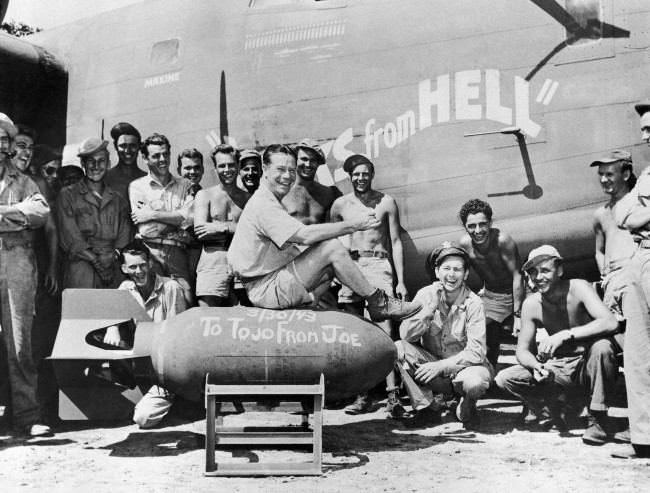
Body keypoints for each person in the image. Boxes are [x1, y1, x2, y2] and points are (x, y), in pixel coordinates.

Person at [227, 144, 421, 321]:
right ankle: (378, 303)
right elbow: (305, 235)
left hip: (271, 282)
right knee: (331, 248)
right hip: (267, 289)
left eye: (291, 170)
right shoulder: (263, 203)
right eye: (280, 169)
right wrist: (354, 225)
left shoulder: (269, 199)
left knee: (331, 267)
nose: (287, 176)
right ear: (265, 170)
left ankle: (308, 305)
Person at [495, 245, 620, 445]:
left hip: (588, 364)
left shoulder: (578, 287)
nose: (538, 277)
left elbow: (610, 322)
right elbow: (522, 350)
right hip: (559, 368)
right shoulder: (532, 304)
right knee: (505, 378)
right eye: (533, 272)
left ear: (559, 270)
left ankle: (598, 417)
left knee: (603, 347)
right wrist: (535, 366)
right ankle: (553, 409)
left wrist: (566, 335)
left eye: (545, 270)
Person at [330, 154, 407, 417]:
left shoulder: (386, 203)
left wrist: (401, 281)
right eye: (356, 174)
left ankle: (393, 396)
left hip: (378, 266)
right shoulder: (340, 205)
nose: (361, 178)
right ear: (349, 176)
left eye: (365, 173)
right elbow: (335, 240)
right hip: (351, 267)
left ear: (371, 175)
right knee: (355, 335)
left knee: (384, 331)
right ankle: (361, 395)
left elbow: (395, 242)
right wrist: (336, 271)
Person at [395, 242, 492, 427]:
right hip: (434, 369)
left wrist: (441, 366)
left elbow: (476, 352)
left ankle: (468, 404)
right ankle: (426, 408)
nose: (451, 274)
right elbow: (406, 335)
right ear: (437, 271)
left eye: (457, 269)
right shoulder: (425, 295)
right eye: (446, 268)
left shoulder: (474, 303)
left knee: (475, 383)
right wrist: (429, 310)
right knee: (399, 349)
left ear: (466, 274)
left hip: (464, 369)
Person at [0, 113, 52, 437]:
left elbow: (40, 212)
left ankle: (28, 416)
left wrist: (4, 214)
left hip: (17, 261)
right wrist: (17, 214)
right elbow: (26, 213)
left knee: (20, 342)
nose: (2, 144)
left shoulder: (22, 180)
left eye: (5, 139)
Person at [103, 241, 187, 428]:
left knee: (143, 418)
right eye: (132, 267)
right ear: (124, 268)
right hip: (139, 367)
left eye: (142, 265)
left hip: (166, 370)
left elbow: (179, 335)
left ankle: (176, 402)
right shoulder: (126, 288)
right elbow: (112, 317)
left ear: (150, 263)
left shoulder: (171, 287)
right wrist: (113, 328)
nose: (139, 271)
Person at [610, 101, 650, 458]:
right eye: (644, 131)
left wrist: (640, 214)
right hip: (641, 259)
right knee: (638, 353)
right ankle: (644, 439)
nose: (646, 137)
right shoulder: (649, 173)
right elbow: (623, 214)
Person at [56, 137, 131, 288]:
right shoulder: (68, 195)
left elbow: (124, 237)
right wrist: (97, 262)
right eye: (91, 161)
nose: (96, 166)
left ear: (108, 164)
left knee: (113, 309)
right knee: (82, 310)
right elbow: (70, 237)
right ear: (83, 164)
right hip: (81, 266)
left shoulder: (118, 199)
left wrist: (112, 257)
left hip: (112, 265)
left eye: (101, 161)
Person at [458, 199, 524, 367]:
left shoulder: (503, 240)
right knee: (485, 340)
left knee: (525, 338)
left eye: (483, 224)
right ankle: (490, 376)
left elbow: (518, 276)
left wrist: (518, 315)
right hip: (492, 297)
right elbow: (462, 273)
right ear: (465, 226)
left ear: (490, 223)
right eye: (472, 226)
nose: (478, 231)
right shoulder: (465, 245)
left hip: (517, 294)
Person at [128, 133, 193, 293]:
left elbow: (189, 219)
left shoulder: (185, 184)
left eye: (166, 154)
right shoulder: (137, 187)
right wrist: (176, 222)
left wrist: (152, 214)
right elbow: (147, 230)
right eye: (156, 156)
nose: (163, 159)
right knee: (155, 302)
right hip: (150, 253)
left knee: (185, 299)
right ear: (145, 158)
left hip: (178, 254)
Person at [194, 145, 249, 306]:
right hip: (213, 259)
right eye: (222, 165)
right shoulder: (204, 195)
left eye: (231, 165)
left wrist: (219, 227)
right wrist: (236, 228)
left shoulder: (247, 198)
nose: (227, 170)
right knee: (208, 315)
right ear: (215, 168)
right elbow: (200, 231)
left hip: (241, 261)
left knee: (243, 315)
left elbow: (252, 230)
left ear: (238, 166)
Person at [591, 150, 636, 346]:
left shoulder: (640, 204)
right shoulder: (601, 214)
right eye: (601, 174)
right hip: (612, 284)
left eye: (609, 174)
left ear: (625, 175)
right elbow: (599, 250)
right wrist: (605, 275)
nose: (603, 179)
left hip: (635, 279)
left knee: (640, 335)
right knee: (617, 335)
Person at [283, 139, 341, 225]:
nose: (308, 164)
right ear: (295, 161)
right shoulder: (281, 193)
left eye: (313, 160)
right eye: (304, 159)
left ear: (318, 163)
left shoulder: (329, 194)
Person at [177, 148, 205, 291]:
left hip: (197, 254)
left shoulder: (207, 195)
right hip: (175, 254)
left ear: (203, 170)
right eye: (187, 168)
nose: (193, 172)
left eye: (196, 168)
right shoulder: (172, 195)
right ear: (179, 170)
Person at [105, 122, 146, 203]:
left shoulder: (147, 179)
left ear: (139, 146)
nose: (128, 151)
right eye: (123, 146)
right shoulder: (105, 179)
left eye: (132, 146)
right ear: (115, 146)